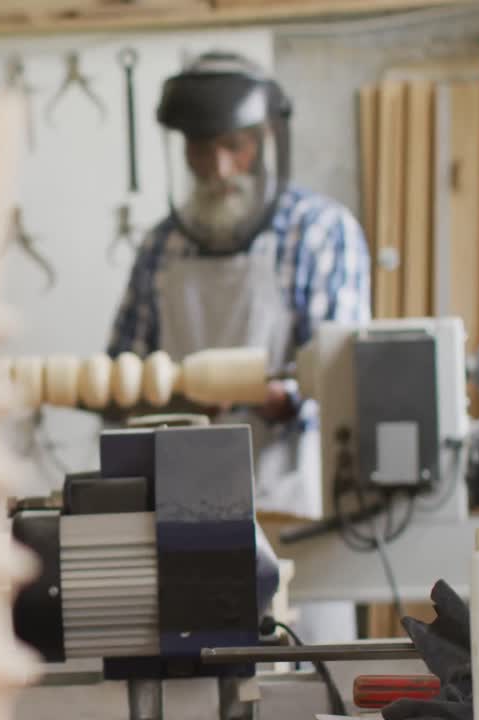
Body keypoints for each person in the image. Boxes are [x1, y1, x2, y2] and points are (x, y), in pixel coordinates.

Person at [107, 51, 371, 519]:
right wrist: (169, 399)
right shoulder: (161, 246)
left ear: (264, 141)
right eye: (201, 150)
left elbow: (343, 384)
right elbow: (120, 376)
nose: (219, 168)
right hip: (180, 504)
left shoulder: (319, 232)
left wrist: (265, 395)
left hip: (288, 503)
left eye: (234, 146)